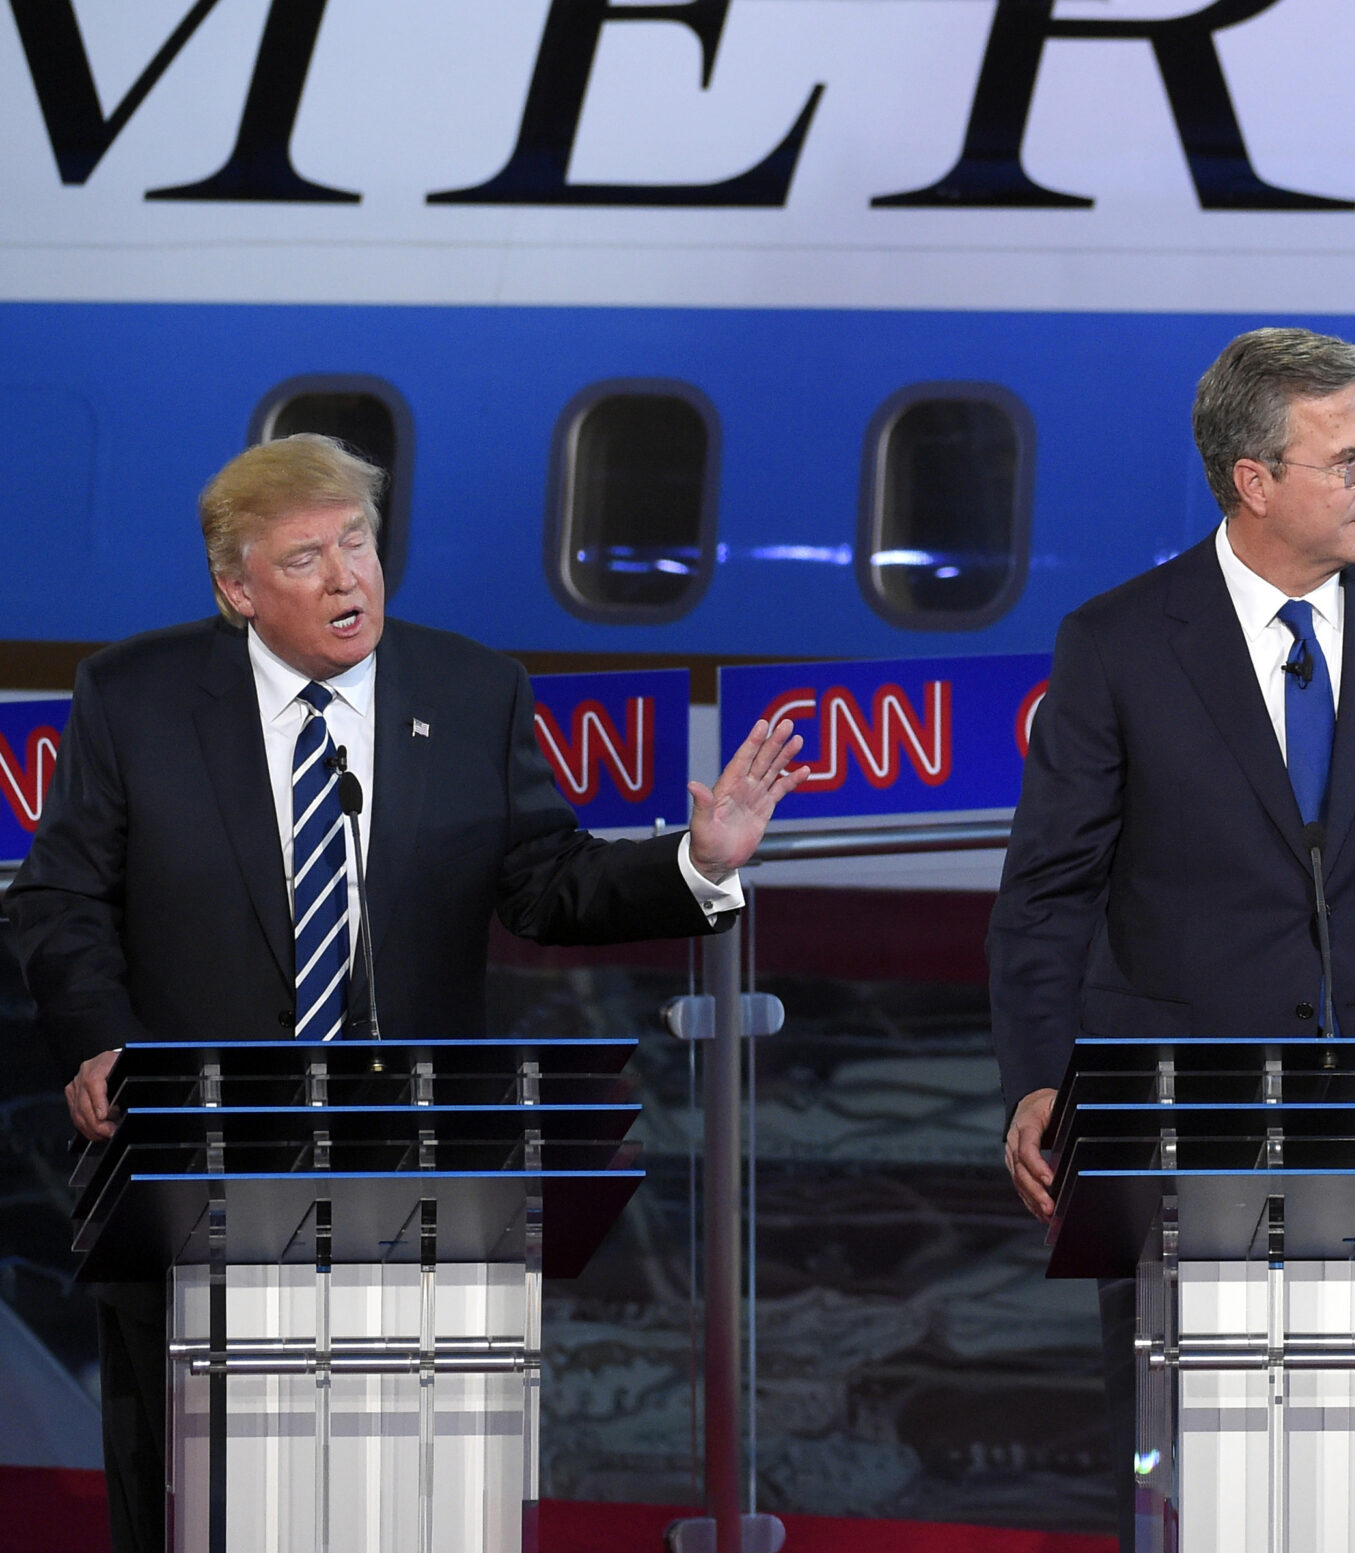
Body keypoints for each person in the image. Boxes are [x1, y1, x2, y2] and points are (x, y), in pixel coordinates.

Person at [4, 434, 807, 1553]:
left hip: (416, 1178)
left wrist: (697, 863)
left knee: (399, 1500)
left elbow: (545, 881)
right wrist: (104, 1042)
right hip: (193, 1170)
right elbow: (61, 898)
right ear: (237, 589)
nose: (347, 577)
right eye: (305, 559)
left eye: (358, 543)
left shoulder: (470, 688)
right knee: (197, 1500)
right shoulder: (134, 694)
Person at [987, 327, 1355, 1547]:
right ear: (1254, 479)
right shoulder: (1119, 641)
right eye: (1351, 459)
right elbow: (1048, 890)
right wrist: (1037, 1077)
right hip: (1183, 1122)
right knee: (1206, 1484)